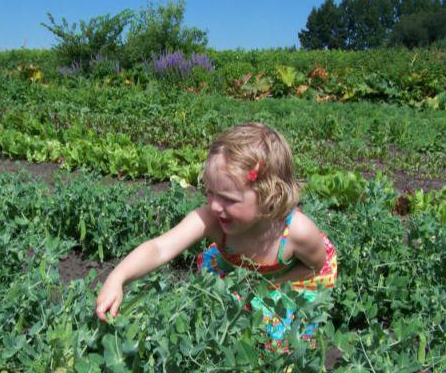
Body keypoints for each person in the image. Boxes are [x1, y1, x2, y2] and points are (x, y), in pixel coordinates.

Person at [95, 122, 337, 352]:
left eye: (229, 199)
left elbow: (315, 267)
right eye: (210, 193)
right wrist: (118, 277)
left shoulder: (296, 233)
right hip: (235, 274)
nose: (215, 206)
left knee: (276, 342)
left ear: (269, 198)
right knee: (212, 328)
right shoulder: (212, 219)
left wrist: (267, 288)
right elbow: (160, 248)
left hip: (286, 281)